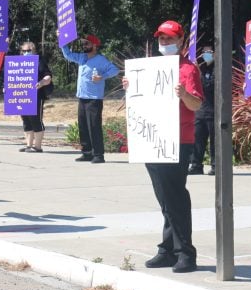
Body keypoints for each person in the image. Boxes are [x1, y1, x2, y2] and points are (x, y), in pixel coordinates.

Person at [123, 20, 204, 274]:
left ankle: (186, 253)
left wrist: (183, 95)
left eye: (170, 38)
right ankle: (168, 249)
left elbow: (196, 105)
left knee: (175, 196)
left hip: (177, 140)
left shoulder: (188, 69)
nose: (165, 42)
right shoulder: (150, 67)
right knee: (164, 196)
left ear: (181, 41)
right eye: (162, 39)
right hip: (151, 140)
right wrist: (130, 88)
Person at [61, 34, 119, 164]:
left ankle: (98, 155)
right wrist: (63, 42)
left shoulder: (101, 60)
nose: (84, 46)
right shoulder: (81, 57)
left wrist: (102, 76)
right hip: (82, 98)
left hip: (94, 100)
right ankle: (87, 153)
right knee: (83, 126)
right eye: (83, 43)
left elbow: (115, 70)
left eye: (86, 44)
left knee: (94, 126)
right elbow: (68, 55)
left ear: (94, 46)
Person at [17, 41, 52, 153]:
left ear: (34, 51)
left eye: (29, 50)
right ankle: (28, 145)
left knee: (36, 119)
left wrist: (41, 82)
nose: (26, 53)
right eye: (24, 51)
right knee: (26, 120)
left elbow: (48, 76)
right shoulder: (18, 63)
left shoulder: (39, 61)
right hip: (22, 96)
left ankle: (37, 146)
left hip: (37, 95)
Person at [188, 44, 215, 175]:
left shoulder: (217, 69)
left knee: (215, 140)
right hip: (200, 111)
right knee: (198, 139)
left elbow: (210, 87)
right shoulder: (201, 68)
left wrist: (199, 74)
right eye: (204, 52)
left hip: (213, 110)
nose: (206, 54)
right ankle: (196, 165)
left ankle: (216, 165)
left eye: (209, 52)